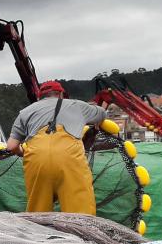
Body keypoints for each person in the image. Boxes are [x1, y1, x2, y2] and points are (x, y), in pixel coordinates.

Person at [6, 80, 107, 215]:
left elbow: (11, 146)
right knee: (80, 214)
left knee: (38, 215)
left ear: (40, 97)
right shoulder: (77, 105)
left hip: (37, 162)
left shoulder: (25, 112)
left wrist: (21, 152)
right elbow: (102, 114)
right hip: (70, 161)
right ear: (61, 94)